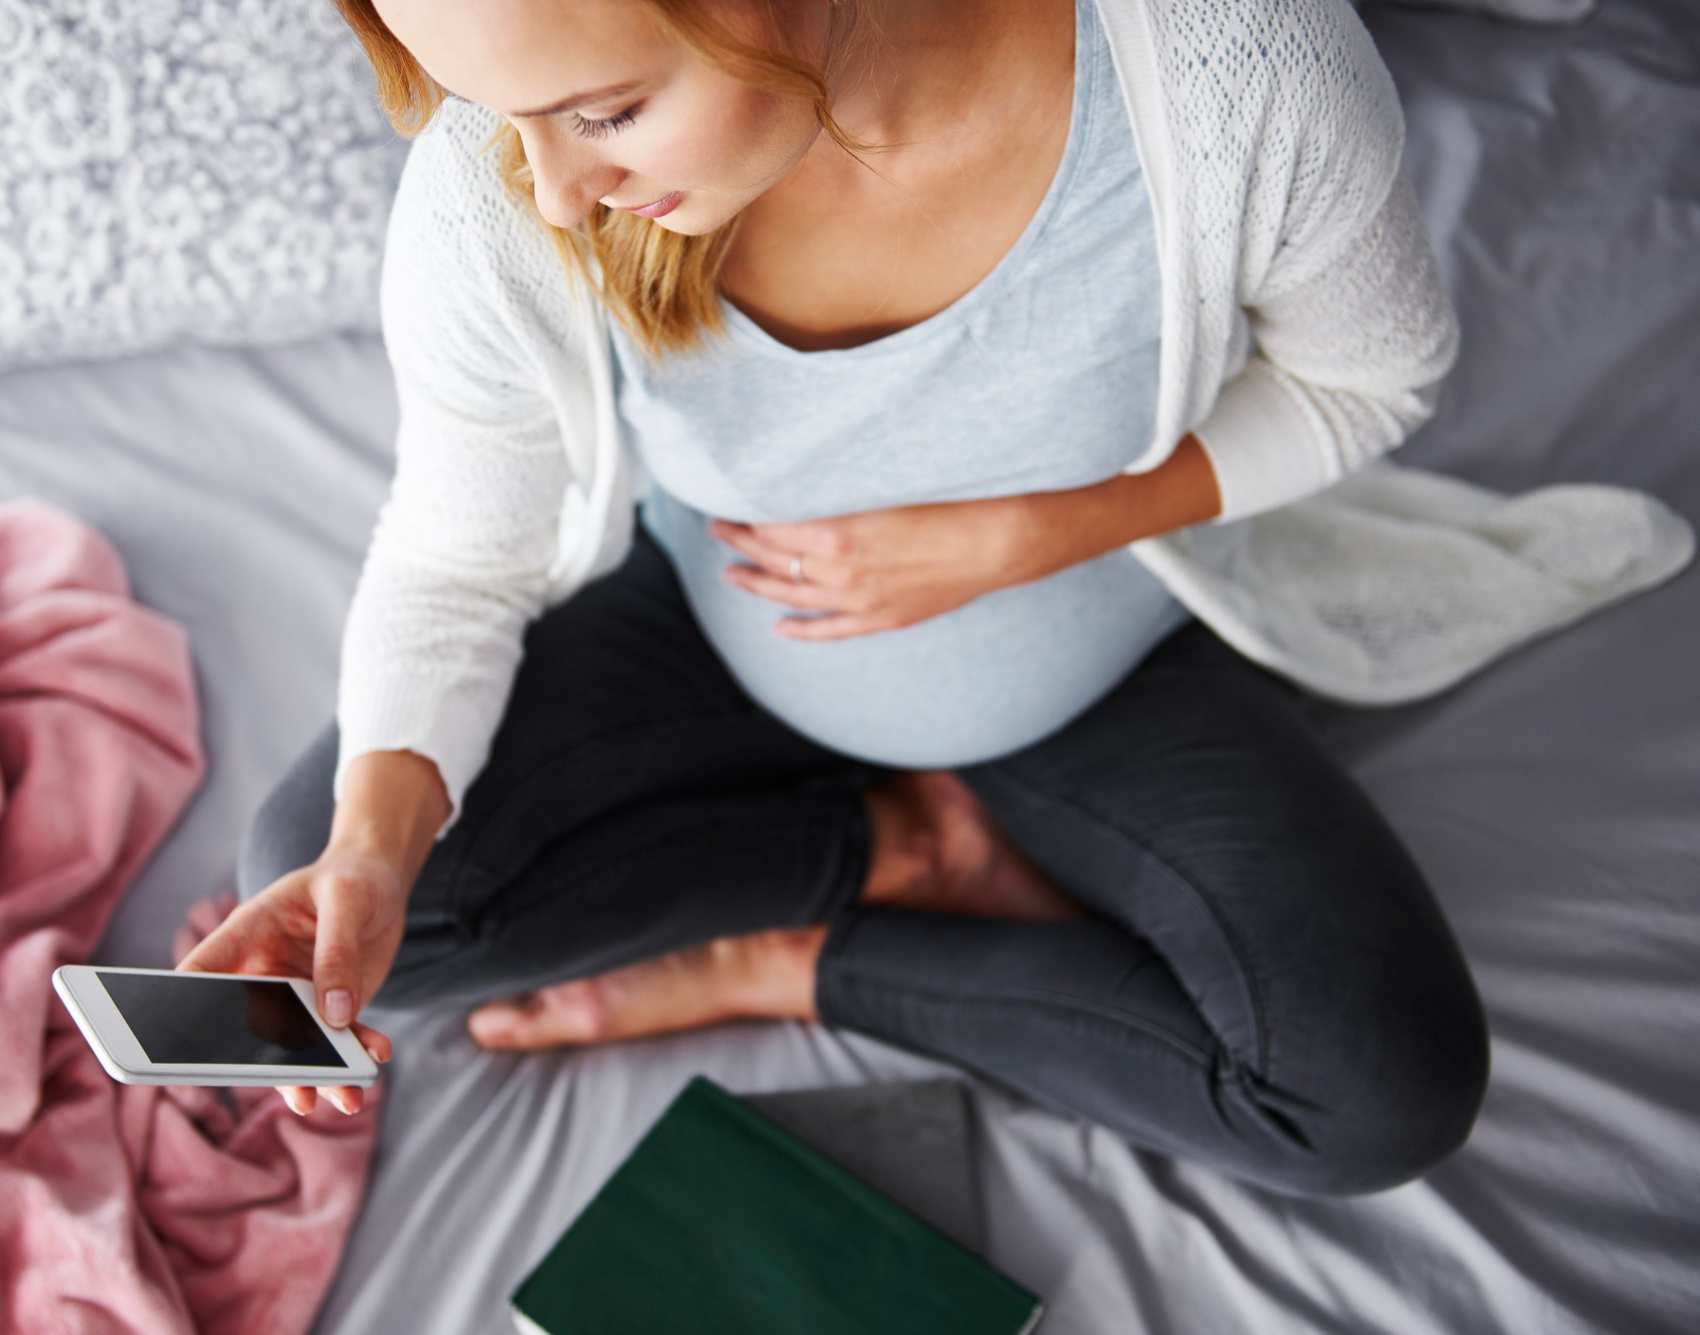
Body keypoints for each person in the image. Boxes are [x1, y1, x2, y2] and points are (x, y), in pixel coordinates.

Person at [179, 0, 1491, 1196]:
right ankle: (895, 848)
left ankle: (783, 959)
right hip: (722, 628)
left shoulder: (1232, 70)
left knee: (1370, 1093)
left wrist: (1026, 537)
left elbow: (1367, 381)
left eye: (606, 113)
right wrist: (370, 847)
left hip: (1096, 657)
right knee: (334, 886)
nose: (560, 196)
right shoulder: (502, 195)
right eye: (511, 117)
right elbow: (459, 553)